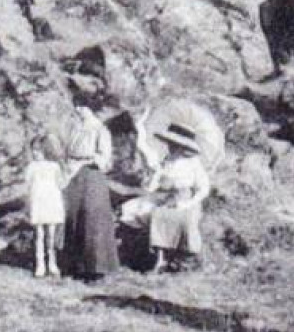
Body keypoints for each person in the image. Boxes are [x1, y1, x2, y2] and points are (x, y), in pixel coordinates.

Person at [119, 124, 212, 271]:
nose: (172, 147)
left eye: (176, 145)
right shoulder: (167, 160)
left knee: (161, 215)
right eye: (170, 144)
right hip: (164, 196)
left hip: (184, 198)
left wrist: (187, 203)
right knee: (131, 209)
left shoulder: (193, 163)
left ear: (184, 147)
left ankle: (168, 257)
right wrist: (153, 181)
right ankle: (144, 254)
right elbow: (155, 183)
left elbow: (204, 188)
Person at [61, 105, 119, 281]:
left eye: (82, 107)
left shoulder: (100, 130)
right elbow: (67, 152)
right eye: (76, 106)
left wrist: (88, 159)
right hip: (73, 175)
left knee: (92, 219)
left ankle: (96, 269)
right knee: (73, 217)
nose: (78, 110)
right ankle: (75, 266)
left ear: (90, 108)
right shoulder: (74, 128)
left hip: (92, 176)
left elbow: (105, 158)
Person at [24, 135, 66, 278]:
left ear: (45, 150)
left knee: (51, 236)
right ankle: (40, 264)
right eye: (33, 150)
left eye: (38, 150)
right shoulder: (31, 167)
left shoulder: (54, 167)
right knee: (39, 235)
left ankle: (52, 263)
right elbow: (28, 185)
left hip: (51, 202)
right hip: (38, 203)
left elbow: (60, 184)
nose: (35, 153)